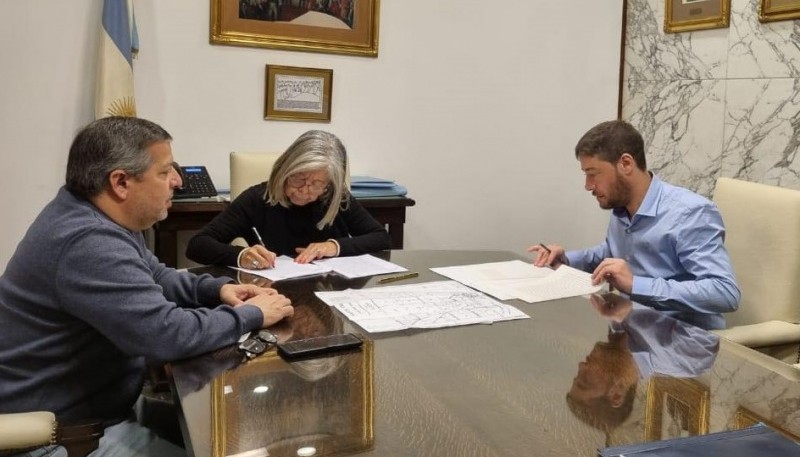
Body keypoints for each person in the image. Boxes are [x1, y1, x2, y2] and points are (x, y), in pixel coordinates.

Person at [0, 117, 294, 457]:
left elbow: (156, 275)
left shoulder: (98, 216)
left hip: (98, 407)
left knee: (243, 430)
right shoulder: (88, 241)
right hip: (62, 434)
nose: (178, 181)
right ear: (121, 182)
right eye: (165, 171)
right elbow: (165, 336)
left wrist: (217, 291)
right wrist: (250, 316)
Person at [530, 120, 740, 330]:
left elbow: (724, 293)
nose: (588, 186)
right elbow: (614, 253)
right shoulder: (621, 208)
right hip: (632, 334)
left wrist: (635, 284)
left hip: (682, 344)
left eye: (593, 174)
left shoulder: (690, 213)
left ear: (626, 164)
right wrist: (565, 260)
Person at [186, 130, 390, 269]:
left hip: (329, 292)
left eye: (317, 184)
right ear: (285, 170)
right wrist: (241, 255)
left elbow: (380, 237)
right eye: (299, 178)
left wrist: (333, 246)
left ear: (329, 184)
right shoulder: (258, 199)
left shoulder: (335, 197)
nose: (305, 190)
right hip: (275, 293)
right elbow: (198, 245)